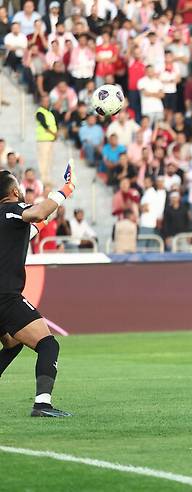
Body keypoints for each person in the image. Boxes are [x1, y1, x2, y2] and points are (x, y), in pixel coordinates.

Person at [0, 161, 76, 417]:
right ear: (13, 193)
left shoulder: (7, 219)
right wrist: (66, 189)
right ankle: (42, 404)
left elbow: (32, 227)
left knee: (12, 343)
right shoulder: (12, 210)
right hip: (5, 298)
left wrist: (49, 209)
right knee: (48, 345)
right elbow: (36, 213)